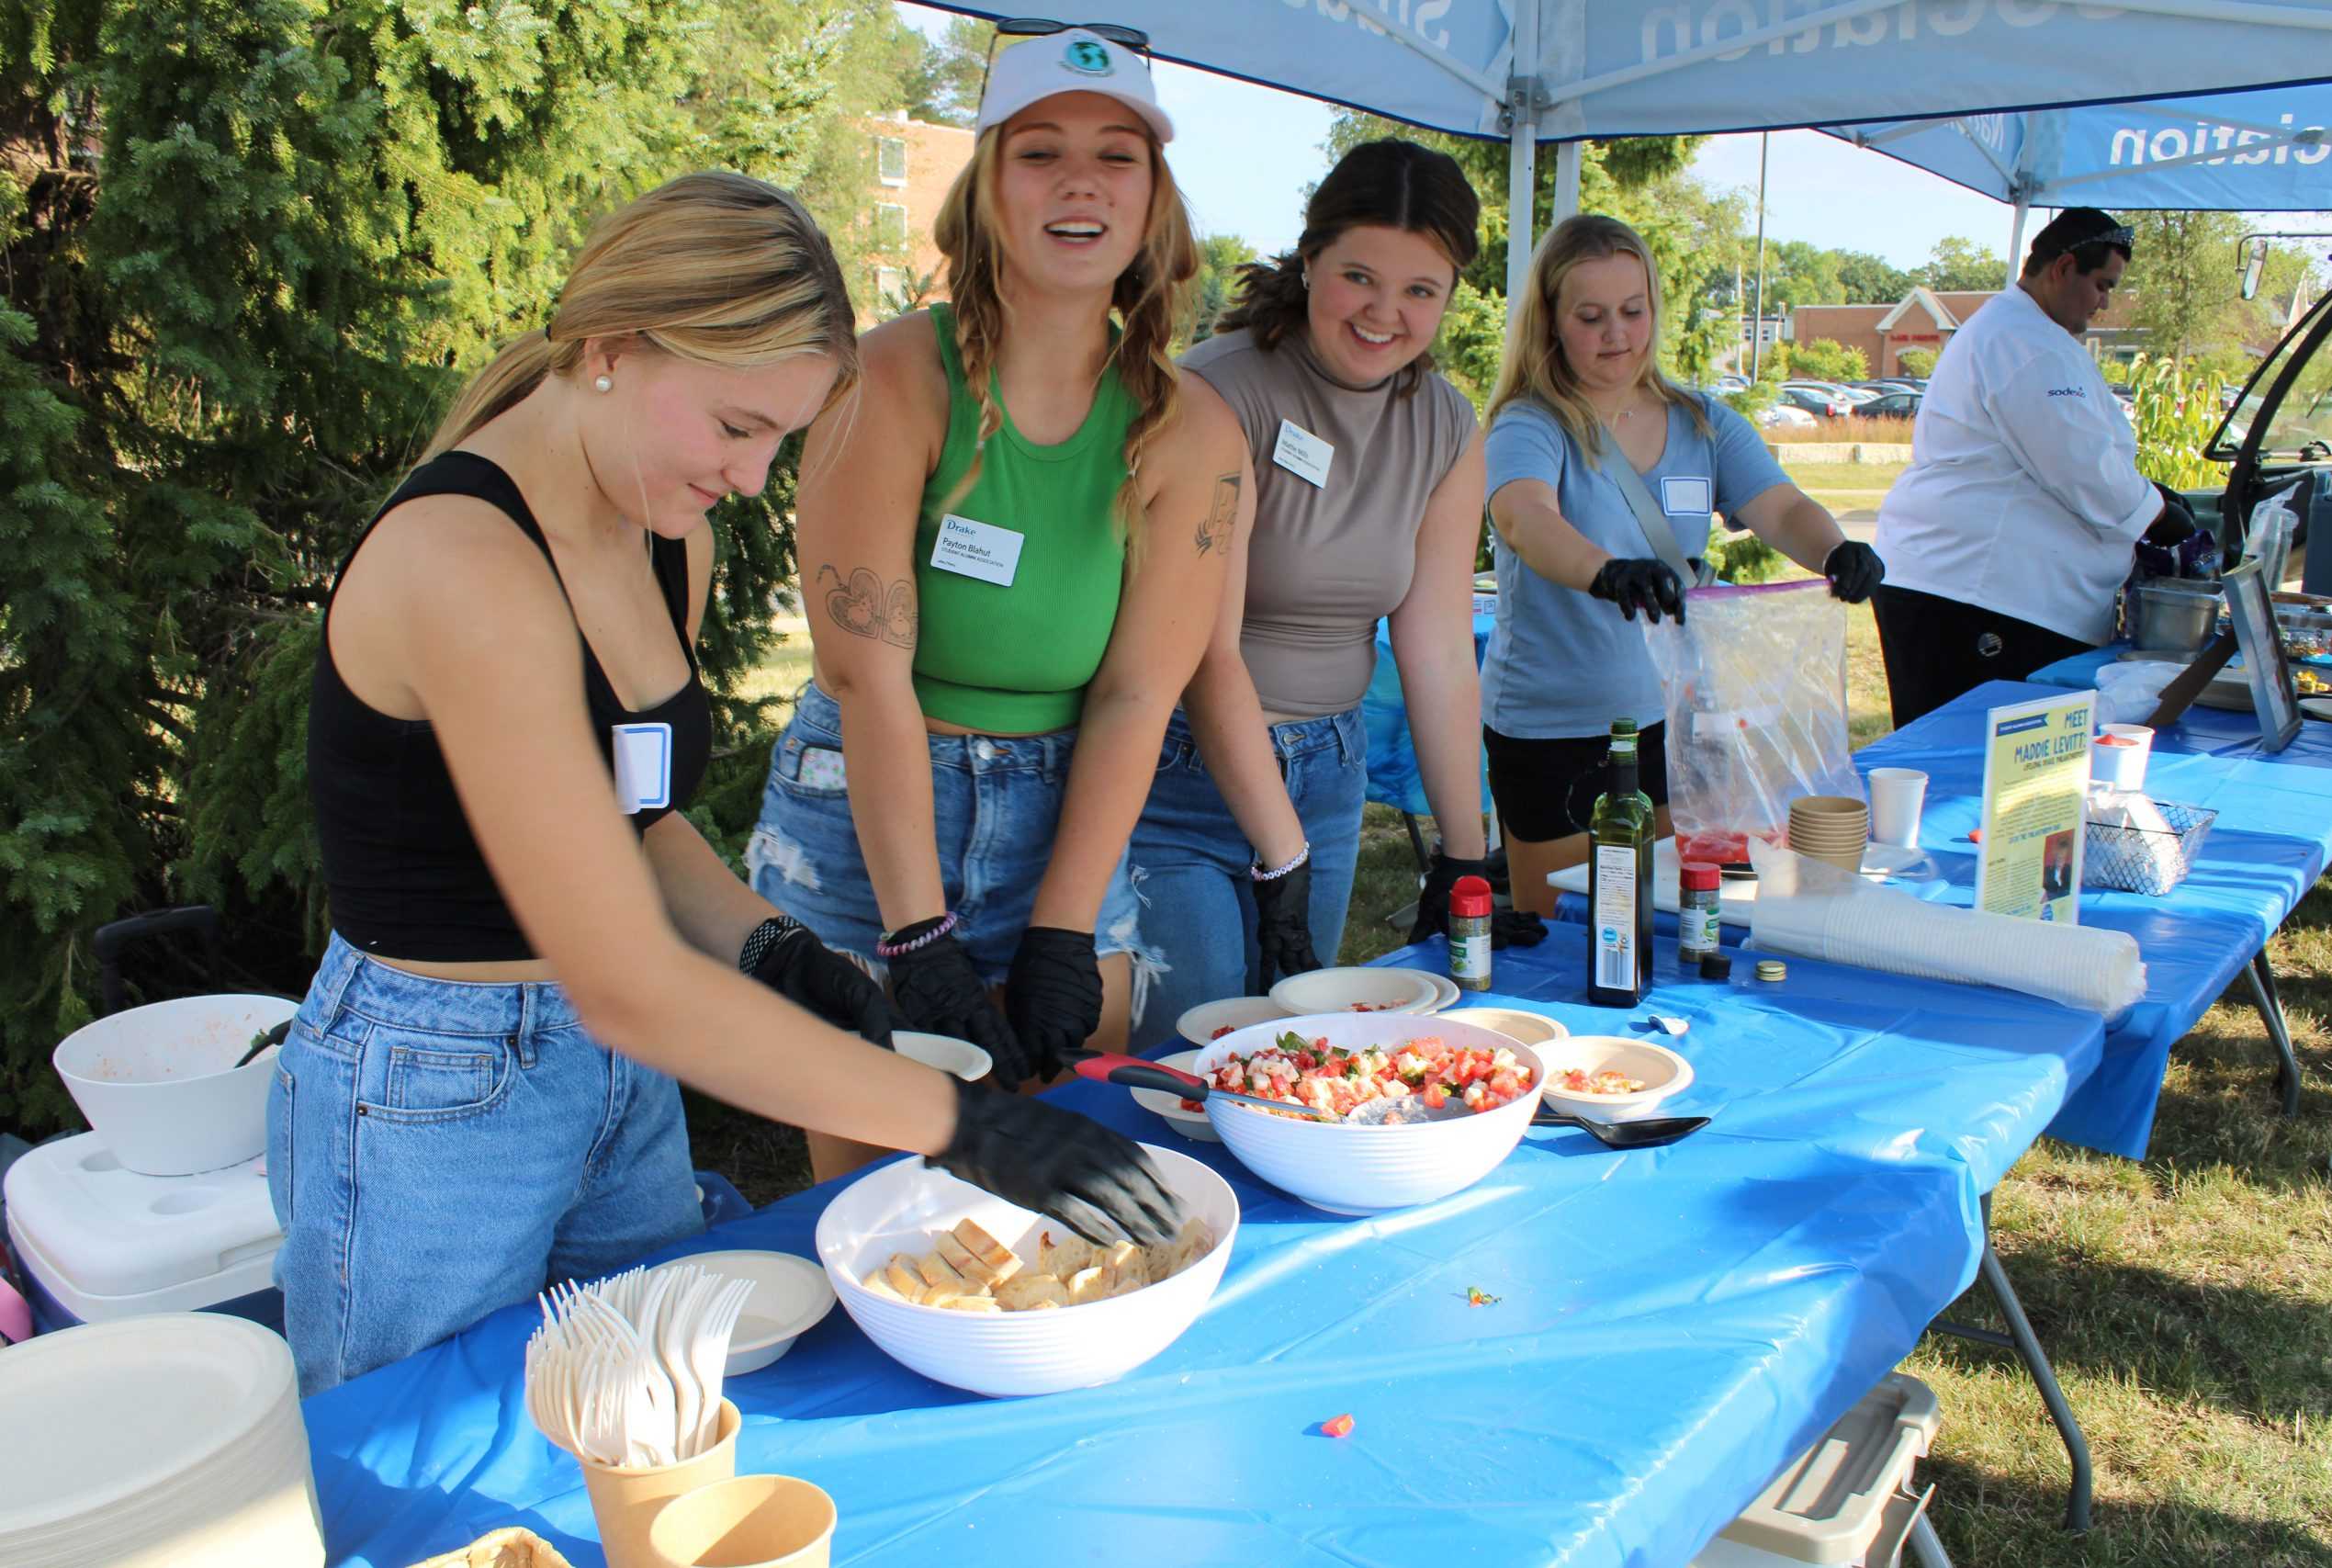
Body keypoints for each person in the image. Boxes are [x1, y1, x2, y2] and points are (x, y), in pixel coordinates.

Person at [274, 172, 1177, 1397]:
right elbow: (633, 985)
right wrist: (962, 1121)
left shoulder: (664, 530)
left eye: (779, 440)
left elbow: (637, 824)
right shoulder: (465, 564)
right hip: (432, 1091)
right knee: (429, 1443)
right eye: (736, 426)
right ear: (608, 349)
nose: (753, 481)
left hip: (610, 1083)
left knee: (660, 1404)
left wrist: (772, 947)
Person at [746, 28, 1241, 1176]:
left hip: (1070, 807)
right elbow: (862, 670)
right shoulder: (886, 380)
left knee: (1077, 1159)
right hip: (872, 797)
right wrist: (917, 934)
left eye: (1118, 156)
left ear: (1153, 200)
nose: (1081, 182)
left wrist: (1065, 929)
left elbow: (1136, 690)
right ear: (986, 189)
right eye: (1040, 153)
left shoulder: (1193, 430)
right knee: (879, 1184)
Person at [1127, 140, 1542, 1044]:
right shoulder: (1216, 391)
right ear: (1308, 257)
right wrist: (1282, 854)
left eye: (1419, 291)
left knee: (1291, 1051)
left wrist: (1463, 854)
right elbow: (1202, 646)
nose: (1384, 313)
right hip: (1178, 772)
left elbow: (1434, 653)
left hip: (1329, 770)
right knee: (1195, 1056)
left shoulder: (1444, 423)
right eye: (1359, 276)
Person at [1480, 215, 1881, 898]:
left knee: (1666, 914)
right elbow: (1524, 518)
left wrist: (1835, 549)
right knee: (1562, 927)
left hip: (1676, 726)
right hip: (1555, 731)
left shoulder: (1703, 422)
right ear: (1551, 321)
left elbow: (1781, 508)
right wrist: (1606, 571)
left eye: (1634, 311)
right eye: (1592, 316)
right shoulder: (1531, 422)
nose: (1618, 335)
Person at [1873, 207, 2197, 728]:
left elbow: (2068, 452)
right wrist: (2154, 512)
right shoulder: (2024, 342)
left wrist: (2145, 493)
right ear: (2063, 267)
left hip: (1985, 590)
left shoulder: (2027, 334)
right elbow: (2081, 466)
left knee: (1985, 770)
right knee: (1970, 766)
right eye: (2101, 285)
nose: (2105, 303)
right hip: (1978, 593)